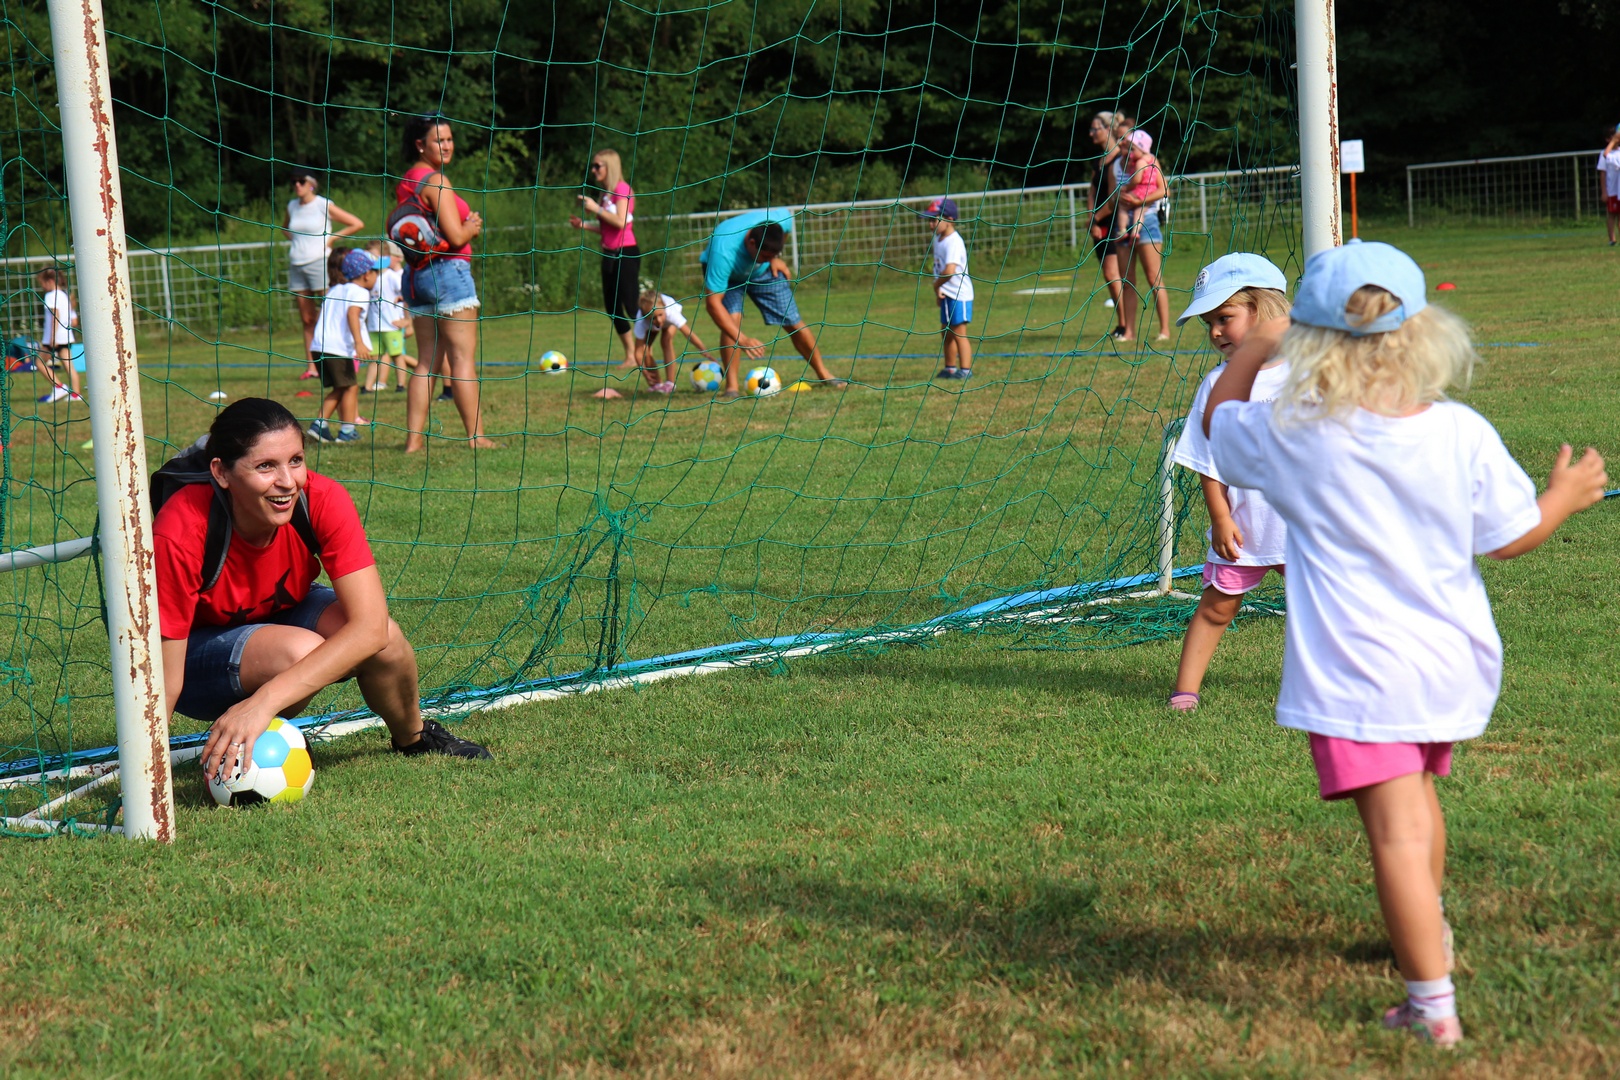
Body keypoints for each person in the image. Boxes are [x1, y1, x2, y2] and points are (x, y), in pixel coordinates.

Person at [1202, 240, 1608, 1048]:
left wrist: (1249, 352)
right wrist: (1562, 496)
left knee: (1394, 833)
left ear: (1305, 344)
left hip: (1361, 677)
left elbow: (1219, 428)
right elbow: (1510, 535)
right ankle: (1430, 930)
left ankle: (1432, 1007)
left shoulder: (1295, 434)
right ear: (1423, 335)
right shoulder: (1459, 432)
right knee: (1417, 806)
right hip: (1451, 666)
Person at [155, 398, 493, 782]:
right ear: (222, 473)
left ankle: (413, 738)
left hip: (279, 616)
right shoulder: (183, 526)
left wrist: (263, 703)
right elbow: (164, 677)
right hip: (194, 657)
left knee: (387, 638)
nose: (287, 482)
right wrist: (150, 779)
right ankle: (250, 736)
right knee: (301, 652)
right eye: (265, 466)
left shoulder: (321, 497)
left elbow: (370, 626)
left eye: (295, 460)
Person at [1167, 254, 1292, 711]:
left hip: (1304, 529)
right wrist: (1220, 517)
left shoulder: (1311, 371)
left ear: (1265, 310)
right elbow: (1208, 461)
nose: (1216, 332)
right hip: (1246, 531)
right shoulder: (1217, 384)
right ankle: (1185, 690)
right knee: (1217, 607)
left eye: (1225, 317)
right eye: (1209, 323)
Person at [396, 115, 497, 452]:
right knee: (463, 359)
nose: (447, 145)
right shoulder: (436, 179)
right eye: (439, 140)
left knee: (426, 361)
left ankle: (413, 442)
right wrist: (472, 226)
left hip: (416, 276)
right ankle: (476, 437)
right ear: (420, 145)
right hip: (448, 274)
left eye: (450, 139)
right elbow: (454, 236)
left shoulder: (408, 179)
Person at [700, 208, 846, 398]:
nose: (767, 258)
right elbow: (713, 304)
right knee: (732, 320)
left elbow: (784, 230)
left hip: (763, 274)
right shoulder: (724, 252)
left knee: (793, 321)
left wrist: (773, 259)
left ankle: (824, 374)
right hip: (730, 278)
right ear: (751, 243)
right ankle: (732, 387)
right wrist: (743, 340)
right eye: (765, 255)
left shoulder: (781, 219)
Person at [282, 169, 364, 381]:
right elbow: (284, 228)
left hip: (320, 262)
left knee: (331, 310)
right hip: (297, 264)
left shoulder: (322, 204)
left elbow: (356, 223)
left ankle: (342, 358)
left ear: (311, 184)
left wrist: (331, 238)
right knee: (307, 319)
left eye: (301, 181)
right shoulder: (291, 206)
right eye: (294, 182)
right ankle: (312, 367)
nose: (297, 185)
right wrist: (299, 243)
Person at [568, 149, 641, 371]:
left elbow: (621, 223)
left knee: (632, 306)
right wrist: (584, 225)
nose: (593, 170)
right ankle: (630, 355)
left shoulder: (623, 190)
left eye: (597, 166)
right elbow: (607, 229)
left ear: (610, 167)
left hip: (626, 253)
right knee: (612, 307)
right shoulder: (606, 194)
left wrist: (595, 208)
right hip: (608, 253)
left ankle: (644, 350)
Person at [306, 248, 376, 445]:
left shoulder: (335, 290)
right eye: (376, 272)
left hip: (319, 347)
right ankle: (331, 427)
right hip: (337, 348)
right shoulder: (360, 292)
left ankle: (328, 428)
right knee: (348, 387)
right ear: (366, 274)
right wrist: (359, 342)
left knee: (342, 387)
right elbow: (352, 314)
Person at [1115, 130, 1172, 342]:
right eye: (1123, 145)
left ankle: (1164, 330)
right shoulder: (1117, 165)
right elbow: (1114, 193)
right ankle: (1129, 331)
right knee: (1127, 280)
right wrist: (1120, 200)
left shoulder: (1149, 160)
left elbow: (1164, 189)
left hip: (1147, 219)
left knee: (1154, 278)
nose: (1125, 150)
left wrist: (1138, 201)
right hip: (1122, 221)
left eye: (1129, 146)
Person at [1086, 111, 1128, 330]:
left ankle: (1125, 325)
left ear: (1108, 128)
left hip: (1114, 222)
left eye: (1095, 128)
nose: (1091, 133)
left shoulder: (1118, 159)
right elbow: (1092, 191)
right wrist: (1091, 216)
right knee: (1109, 274)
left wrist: (1096, 219)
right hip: (1099, 223)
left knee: (1114, 273)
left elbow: (1114, 198)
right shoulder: (1099, 161)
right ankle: (1122, 323)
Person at [927, 198, 975, 380]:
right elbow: (938, 268)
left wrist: (936, 285)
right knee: (946, 331)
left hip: (959, 294)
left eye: (935, 219)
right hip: (947, 293)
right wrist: (939, 290)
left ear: (950, 220)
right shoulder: (939, 240)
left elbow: (949, 271)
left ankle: (965, 370)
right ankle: (950, 368)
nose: (931, 224)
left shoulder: (954, 242)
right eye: (929, 220)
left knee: (959, 333)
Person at [633, 288, 715, 391]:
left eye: (660, 315)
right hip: (651, 326)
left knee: (665, 341)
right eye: (653, 317)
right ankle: (657, 384)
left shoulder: (671, 312)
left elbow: (688, 334)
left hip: (669, 322)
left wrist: (704, 350)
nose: (658, 320)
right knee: (646, 350)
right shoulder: (641, 321)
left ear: (664, 308)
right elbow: (638, 352)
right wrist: (643, 370)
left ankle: (670, 383)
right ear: (646, 316)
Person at [365, 241, 414, 393]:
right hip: (374, 326)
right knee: (375, 357)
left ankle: (401, 385)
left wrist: (407, 321)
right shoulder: (368, 277)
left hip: (391, 325)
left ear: (385, 257)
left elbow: (406, 297)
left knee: (397, 355)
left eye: (374, 256)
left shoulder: (392, 277)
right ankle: (367, 387)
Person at [35, 267, 82, 403]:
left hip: (54, 337)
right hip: (66, 335)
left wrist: (52, 337)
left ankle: (59, 387)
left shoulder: (51, 296)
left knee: (39, 362)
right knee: (69, 366)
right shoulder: (64, 295)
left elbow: (56, 315)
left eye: (42, 283)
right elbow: (73, 321)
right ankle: (76, 394)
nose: (42, 287)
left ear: (49, 281)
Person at [1598, 127, 1620, 246]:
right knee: (1612, 214)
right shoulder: (1605, 154)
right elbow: (1603, 173)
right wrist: (1604, 191)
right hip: (1612, 190)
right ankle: (1612, 240)